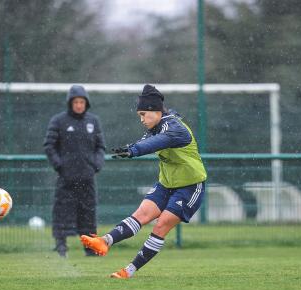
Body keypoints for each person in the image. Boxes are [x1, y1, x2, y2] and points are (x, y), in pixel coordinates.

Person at [80, 84, 207, 278]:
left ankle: (129, 271)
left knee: (161, 225)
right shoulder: (156, 126)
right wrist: (131, 148)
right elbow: (146, 140)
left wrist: (134, 150)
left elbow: (157, 142)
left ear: (155, 111)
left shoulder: (175, 128)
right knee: (141, 215)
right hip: (166, 184)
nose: (141, 119)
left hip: (190, 187)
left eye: (143, 114)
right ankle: (105, 241)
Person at [44, 85, 105, 257]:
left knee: (88, 213)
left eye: (82, 102)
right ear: (70, 103)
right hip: (66, 178)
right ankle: (61, 245)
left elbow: (100, 147)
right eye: (76, 102)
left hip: (87, 178)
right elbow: (49, 146)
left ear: (86, 103)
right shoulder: (58, 121)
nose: (79, 105)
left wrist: (96, 164)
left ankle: (90, 247)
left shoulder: (93, 121)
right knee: (62, 211)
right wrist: (60, 165)